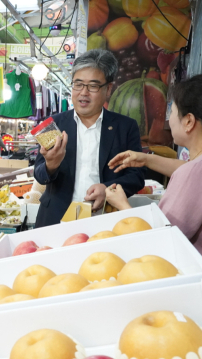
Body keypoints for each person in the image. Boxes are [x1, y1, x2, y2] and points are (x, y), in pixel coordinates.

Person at [105, 74, 202, 309]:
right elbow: (200, 173)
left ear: (189, 121)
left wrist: (121, 204)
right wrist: (146, 159)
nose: (168, 120)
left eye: (171, 112)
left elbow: (161, 241)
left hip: (199, 292)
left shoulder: (198, 173)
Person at [34, 49, 145, 228]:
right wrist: (50, 165)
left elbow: (137, 176)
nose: (83, 92)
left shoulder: (125, 127)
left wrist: (107, 188)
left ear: (108, 89)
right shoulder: (54, 124)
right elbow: (39, 174)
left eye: (93, 86)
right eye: (78, 84)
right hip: (56, 220)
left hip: (104, 220)